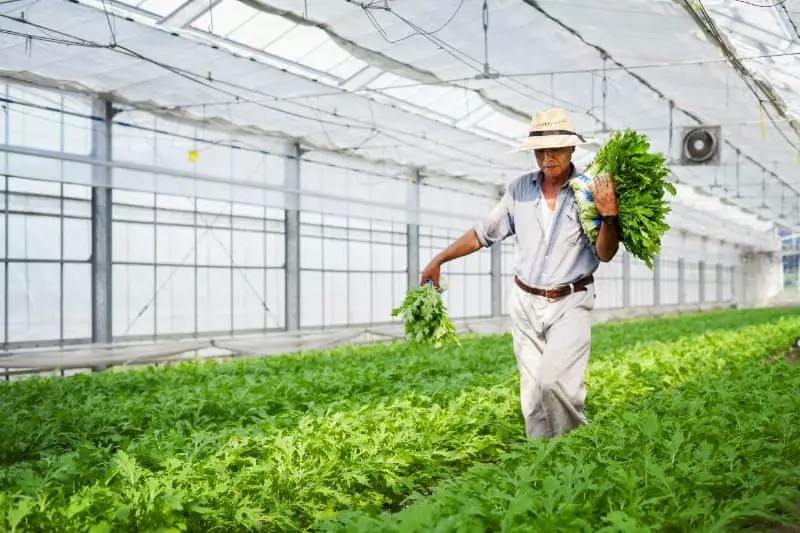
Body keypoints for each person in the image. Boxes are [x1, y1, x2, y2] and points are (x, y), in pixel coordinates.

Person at [419, 108, 620, 438]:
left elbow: (605, 252)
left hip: (570, 300)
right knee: (531, 397)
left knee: (555, 383)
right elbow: (483, 233)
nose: (547, 157)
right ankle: (542, 465)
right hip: (525, 301)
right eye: (540, 150)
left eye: (555, 149)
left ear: (571, 149)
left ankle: (576, 453)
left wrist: (609, 215)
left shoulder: (589, 191)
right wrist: (439, 259)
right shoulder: (520, 190)